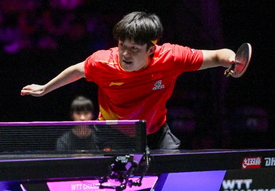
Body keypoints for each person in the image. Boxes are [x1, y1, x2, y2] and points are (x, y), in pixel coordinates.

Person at [21, 11, 238, 149]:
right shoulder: (103, 62)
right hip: (113, 133)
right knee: (118, 184)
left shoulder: (172, 58)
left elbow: (218, 56)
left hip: (155, 133)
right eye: (122, 45)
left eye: (134, 48)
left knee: (171, 175)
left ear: (151, 49)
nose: (125, 54)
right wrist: (45, 88)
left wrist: (233, 61)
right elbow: (77, 70)